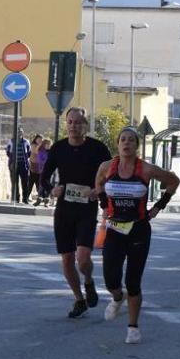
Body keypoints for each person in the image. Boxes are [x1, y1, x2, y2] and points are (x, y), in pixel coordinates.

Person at [96, 127, 180, 344]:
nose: (126, 143)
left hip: (139, 228)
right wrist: (104, 203)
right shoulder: (107, 167)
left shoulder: (147, 169)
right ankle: (117, 298)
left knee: (133, 280)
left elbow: (174, 181)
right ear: (118, 144)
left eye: (131, 140)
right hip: (115, 228)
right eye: (123, 139)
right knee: (110, 278)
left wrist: (159, 206)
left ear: (137, 146)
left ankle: (133, 328)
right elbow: (98, 185)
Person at [41, 107, 112, 318]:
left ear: (86, 125)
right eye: (70, 122)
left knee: (82, 259)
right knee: (66, 259)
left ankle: (88, 281)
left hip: (86, 209)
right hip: (64, 209)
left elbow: (111, 175)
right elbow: (43, 179)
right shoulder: (59, 148)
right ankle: (79, 299)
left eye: (79, 122)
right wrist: (52, 190)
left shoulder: (98, 149)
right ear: (66, 124)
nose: (74, 126)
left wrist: (97, 191)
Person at [6, 128, 32, 203]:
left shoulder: (26, 141)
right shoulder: (11, 141)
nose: (19, 133)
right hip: (13, 164)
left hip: (23, 164)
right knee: (15, 182)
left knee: (25, 182)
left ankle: (25, 199)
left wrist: (25, 159)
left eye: (21, 132)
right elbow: (8, 152)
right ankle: (16, 198)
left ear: (22, 133)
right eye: (18, 132)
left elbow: (29, 152)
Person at [35, 138, 53, 206]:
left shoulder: (51, 151)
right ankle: (39, 198)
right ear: (44, 144)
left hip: (50, 171)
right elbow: (40, 161)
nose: (49, 146)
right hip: (43, 170)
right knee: (42, 185)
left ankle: (46, 200)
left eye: (49, 144)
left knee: (48, 184)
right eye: (47, 144)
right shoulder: (41, 151)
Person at [28, 134, 44, 204]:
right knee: (31, 182)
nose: (39, 141)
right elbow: (36, 152)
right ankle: (26, 197)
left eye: (41, 140)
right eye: (38, 139)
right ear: (35, 139)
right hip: (33, 165)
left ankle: (39, 198)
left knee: (39, 183)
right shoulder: (33, 145)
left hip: (40, 167)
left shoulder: (42, 147)